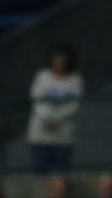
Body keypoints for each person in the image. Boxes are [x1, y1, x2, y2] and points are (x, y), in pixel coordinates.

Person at [26, 45, 83, 174]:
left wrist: (56, 121)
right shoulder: (42, 76)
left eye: (63, 59)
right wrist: (48, 119)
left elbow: (73, 106)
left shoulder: (76, 79)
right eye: (56, 59)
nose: (59, 62)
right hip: (40, 134)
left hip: (63, 136)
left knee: (60, 176)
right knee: (40, 175)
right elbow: (37, 100)